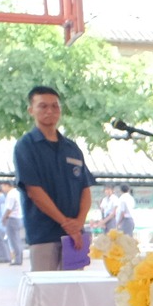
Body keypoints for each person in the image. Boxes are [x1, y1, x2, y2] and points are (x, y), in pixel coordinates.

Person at [13, 86, 93, 272]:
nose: (50, 111)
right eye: (43, 106)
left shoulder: (72, 148)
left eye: (55, 106)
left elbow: (85, 189)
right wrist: (66, 223)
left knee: (74, 290)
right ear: (31, 110)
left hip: (75, 238)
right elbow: (34, 191)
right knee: (47, 293)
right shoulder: (26, 146)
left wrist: (79, 223)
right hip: (44, 235)